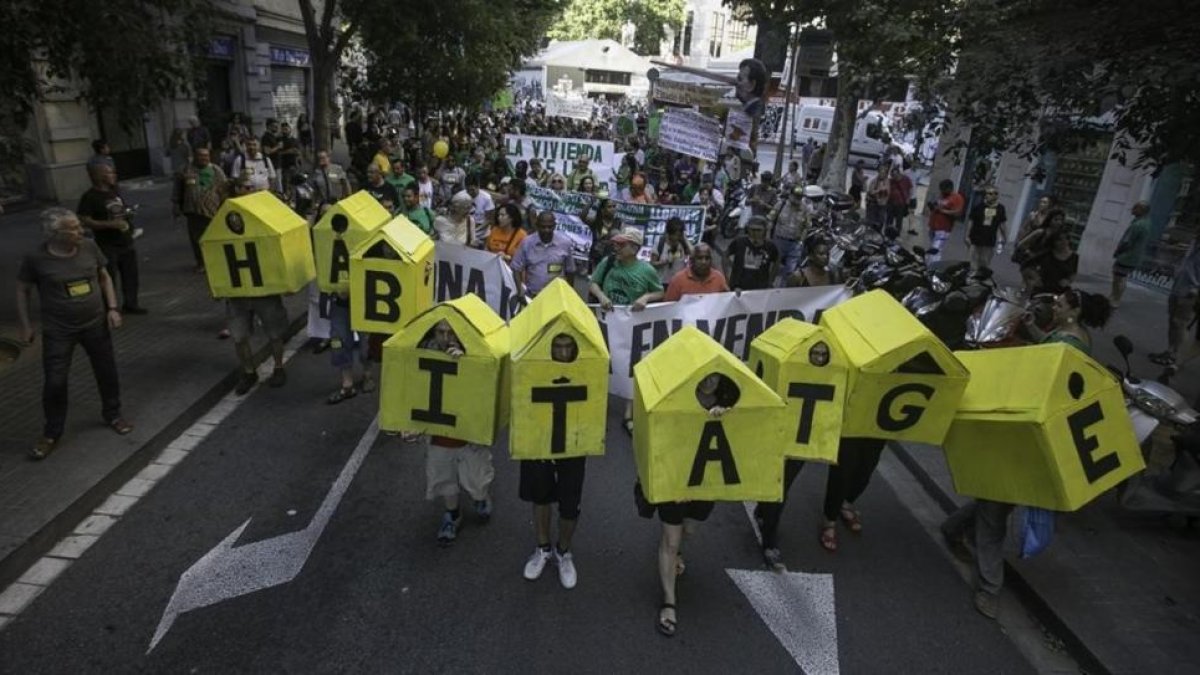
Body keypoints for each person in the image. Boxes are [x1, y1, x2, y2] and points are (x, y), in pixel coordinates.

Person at [942, 289, 1111, 619]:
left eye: (1060, 304)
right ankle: (952, 529)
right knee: (998, 499)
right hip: (1028, 438)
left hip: (1027, 437)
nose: (1055, 307)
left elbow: (1044, 374)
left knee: (995, 511)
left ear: (1073, 311)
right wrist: (1032, 330)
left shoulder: (1068, 346)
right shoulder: (1071, 337)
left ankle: (989, 589)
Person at [16, 208, 134, 460]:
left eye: (79, 226)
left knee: (106, 371)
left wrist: (112, 307)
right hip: (59, 331)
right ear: (54, 233)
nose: (80, 231)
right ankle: (51, 433)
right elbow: (22, 290)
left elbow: (104, 278)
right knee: (55, 381)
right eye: (73, 228)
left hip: (95, 324)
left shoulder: (90, 248)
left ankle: (113, 414)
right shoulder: (36, 258)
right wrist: (26, 325)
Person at [645, 372, 738, 637]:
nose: (709, 382)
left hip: (706, 484)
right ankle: (669, 603)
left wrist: (729, 417)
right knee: (671, 541)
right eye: (704, 376)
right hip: (674, 482)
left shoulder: (732, 405)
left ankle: (674, 550)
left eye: (715, 377)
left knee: (689, 531)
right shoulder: (673, 400)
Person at [520, 334, 588, 589]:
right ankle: (542, 548)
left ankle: (564, 551)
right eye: (557, 347)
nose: (562, 352)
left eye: (567, 347)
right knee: (540, 496)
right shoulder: (533, 364)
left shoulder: (587, 368)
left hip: (574, 442)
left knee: (570, 503)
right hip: (539, 438)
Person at [420, 320, 495, 545]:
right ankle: (452, 515)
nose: (446, 338)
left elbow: (485, 383)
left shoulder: (473, 352)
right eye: (441, 332)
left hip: (467, 433)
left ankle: (480, 497)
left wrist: (467, 361)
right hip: (439, 435)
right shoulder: (421, 356)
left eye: (451, 332)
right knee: (444, 478)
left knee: (477, 480)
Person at [590, 227, 663, 435]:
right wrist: (602, 296)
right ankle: (600, 404)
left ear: (634, 248)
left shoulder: (646, 270)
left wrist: (646, 298)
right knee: (605, 361)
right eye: (616, 244)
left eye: (621, 245)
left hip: (631, 324)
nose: (617, 248)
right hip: (607, 321)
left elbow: (659, 291)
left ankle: (628, 413)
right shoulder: (609, 263)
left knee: (631, 364)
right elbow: (594, 283)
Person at [77, 163, 145, 314]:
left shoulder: (114, 191)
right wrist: (109, 224)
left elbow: (119, 209)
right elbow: (85, 220)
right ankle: (109, 308)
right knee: (109, 277)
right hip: (107, 245)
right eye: (110, 173)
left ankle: (131, 304)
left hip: (126, 241)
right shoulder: (89, 197)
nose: (114, 175)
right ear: (98, 176)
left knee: (130, 275)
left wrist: (128, 213)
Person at [173, 147, 228, 271]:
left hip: (214, 211)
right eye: (200, 156)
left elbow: (225, 188)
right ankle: (201, 263)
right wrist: (176, 205)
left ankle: (217, 262)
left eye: (206, 156)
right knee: (197, 239)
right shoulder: (185, 170)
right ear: (194, 156)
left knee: (215, 237)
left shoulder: (216, 170)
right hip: (193, 211)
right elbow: (177, 190)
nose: (203, 158)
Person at [1149, 240, 1200, 372]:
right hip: (1179, 286)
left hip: (1190, 290)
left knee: (1180, 323)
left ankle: (1174, 355)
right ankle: (1170, 350)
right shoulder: (1194, 243)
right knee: (1172, 320)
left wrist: (1196, 289)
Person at [511, 212, 576, 298]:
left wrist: (569, 293)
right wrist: (520, 290)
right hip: (533, 296)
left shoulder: (565, 243)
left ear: (554, 226)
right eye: (543, 227)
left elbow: (570, 271)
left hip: (557, 297)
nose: (546, 230)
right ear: (537, 226)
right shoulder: (527, 243)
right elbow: (516, 268)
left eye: (550, 227)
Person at [1110, 201, 1152, 308]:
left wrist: (1118, 251)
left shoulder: (1137, 225)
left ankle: (1115, 298)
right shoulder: (1146, 223)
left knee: (1119, 278)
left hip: (1127, 256)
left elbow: (1127, 241)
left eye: (1135, 208)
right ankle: (1115, 297)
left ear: (1141, 210)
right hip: (1134, 256)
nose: (1132, 210)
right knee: (1121, 277)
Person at [767, 186, 808, 282]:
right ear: (790, 195)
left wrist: (801, 241)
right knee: (773, 267)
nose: (798, 199)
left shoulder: (805, 209)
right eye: (796, 196)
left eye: (800, 197)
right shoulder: (780, 204)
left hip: (795, 243)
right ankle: (768, 286)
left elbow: (807, 226)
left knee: (790, 270)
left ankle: (784, 289)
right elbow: (770, 220)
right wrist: (768, 237)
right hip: (779, 241)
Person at [663, 243, 727, 301]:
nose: (703, 262)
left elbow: (725, 302)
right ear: (692, 260)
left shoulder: (719, 278)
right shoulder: (678, 280)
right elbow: (668, 307)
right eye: (699, 258)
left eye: (707, 258)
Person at [966, 186, 1007, 271]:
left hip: (989, 241)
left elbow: (1002, 224)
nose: (991, 195)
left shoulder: (1000, 208)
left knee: (984, 264)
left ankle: (980, 280)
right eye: (989, 193)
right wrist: (967, 236)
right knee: (974, 263)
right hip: (976, 239)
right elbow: (971, 222)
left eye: (994, 193)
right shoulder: (979, 207)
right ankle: (973, 279)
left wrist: (1004, 237)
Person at [1027, 231, 1078, 296]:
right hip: (1041, 291)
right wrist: (1034, 277)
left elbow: (1075, 274)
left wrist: (1068, 281)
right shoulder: (1047, 254)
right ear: (1054, 242)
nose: (1063, 242)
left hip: (1060, 294)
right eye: (1059, 239)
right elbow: (1028, 265)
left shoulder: (1075, 258)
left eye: (1066, 238)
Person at [925, 179, 964, 263]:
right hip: (933, 226)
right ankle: (929, 264)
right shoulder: (941, 195)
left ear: (949, 188)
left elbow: (958, 213)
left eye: (943, 189)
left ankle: (932, 267)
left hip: (944, 228)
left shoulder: (956, 197)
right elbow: (936, 205)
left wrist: (943, 211)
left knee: (936, 249)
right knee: (932, 247)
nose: (942, 191)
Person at [651, 218, 691, 288]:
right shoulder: (660, 242)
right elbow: (652, 264)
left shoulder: (682, 243)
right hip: (662, 283)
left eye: (679, 235)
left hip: (679, 283)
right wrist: (664, 262)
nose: (677, 237)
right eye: (675, 235)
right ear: (669, 233)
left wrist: (685, 239)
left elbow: (693, 253)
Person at [885, 165, 914, 237]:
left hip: (901, 203)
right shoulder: (891, 181)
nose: (894, 177)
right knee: (889, 218)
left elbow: (910, 189)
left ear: (899, 173)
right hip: (891, 202)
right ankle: (888, 232)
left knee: (899, 219)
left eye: (895, 175)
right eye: (892, 175)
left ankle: (897, 232)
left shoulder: (906, 179)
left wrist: (908, 199)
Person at [865, 164, 891, 230]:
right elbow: (871, 191)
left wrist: (879, 191)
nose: (882, 174)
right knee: (871, 221)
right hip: (872, 204)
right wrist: (878, 190)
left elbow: (887, 192)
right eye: (881, 172)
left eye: (884, 172)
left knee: (880, 221)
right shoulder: (873, 181)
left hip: (882, 204)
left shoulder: (887, 182)